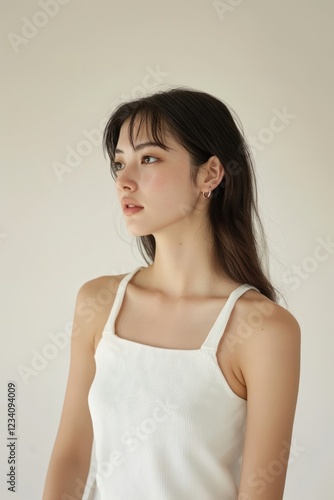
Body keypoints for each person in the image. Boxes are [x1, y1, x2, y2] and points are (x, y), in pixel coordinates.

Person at [42, 87, 301, 500]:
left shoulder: (264, 330)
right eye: (119, 163)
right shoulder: (98, 302)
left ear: (210, 174)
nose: (124, 181)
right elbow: (71, 455)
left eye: (148, 159)